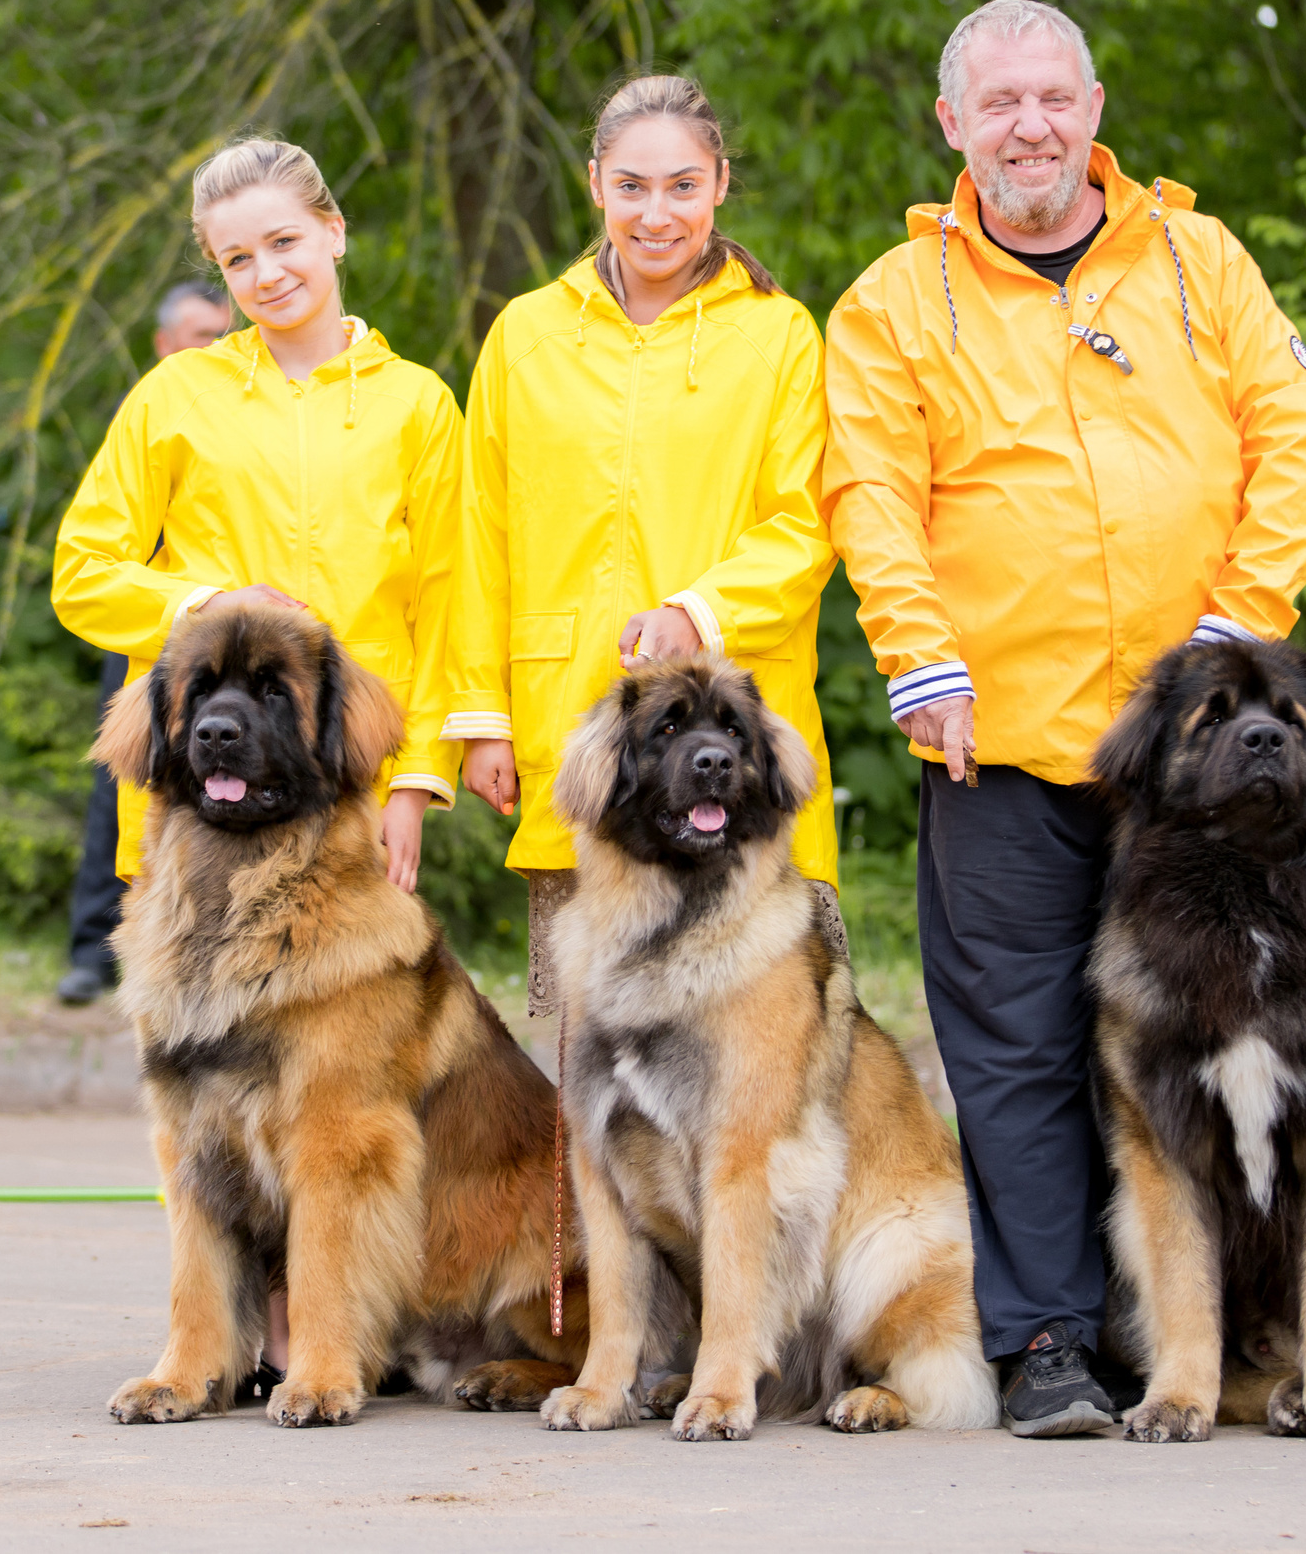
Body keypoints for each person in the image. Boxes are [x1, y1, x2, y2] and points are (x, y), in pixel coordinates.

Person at [821, 0, 1306, 1437]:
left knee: (1207, 1040)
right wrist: (919, 661)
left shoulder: (1197, 257)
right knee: (1019, 1051)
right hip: (998, 746)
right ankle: (1051, 1342)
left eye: (1054, 98)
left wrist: (1244, 621)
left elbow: (1301, 435)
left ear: (1096, 106)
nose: (1032, 127)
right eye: (1001, 104)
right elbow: (872, 497)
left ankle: (1224, 1343)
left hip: (1193, 766)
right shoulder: (890, 305)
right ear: (954, 127)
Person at [52, 138, 466, 1390]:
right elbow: (85, 571)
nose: (266, 272)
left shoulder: (417, 404)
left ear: (334, 231)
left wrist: (418, 776)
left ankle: (329, 1332)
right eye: (238, 258)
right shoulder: (171, 400)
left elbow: (454, 606)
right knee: (197, 1102)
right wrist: (204, 594)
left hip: (342, 805)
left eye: (284, 242)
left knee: (337, 1096)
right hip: (196, 814)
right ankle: (212, 1342)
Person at [448, 75, 839, 1012]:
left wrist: (697, 612)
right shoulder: (525, 337)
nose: (656, 214)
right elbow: (478, 536)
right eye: (631, 186)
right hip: (582, 739)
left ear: (719, 183)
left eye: (682, 186)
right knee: (601, 1070)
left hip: (736, 747)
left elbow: (809, 520)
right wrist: (480, 715)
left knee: (765, 1057)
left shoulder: (780, 337)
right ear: (594, 184)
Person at [55, 281, 232, 1007]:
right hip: (152, 637)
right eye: (198, 335)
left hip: (238, 652)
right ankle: (93, 949)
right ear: (164, 344)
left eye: (223, 334)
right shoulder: (156, 408)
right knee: (122, 789)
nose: (212, 348)